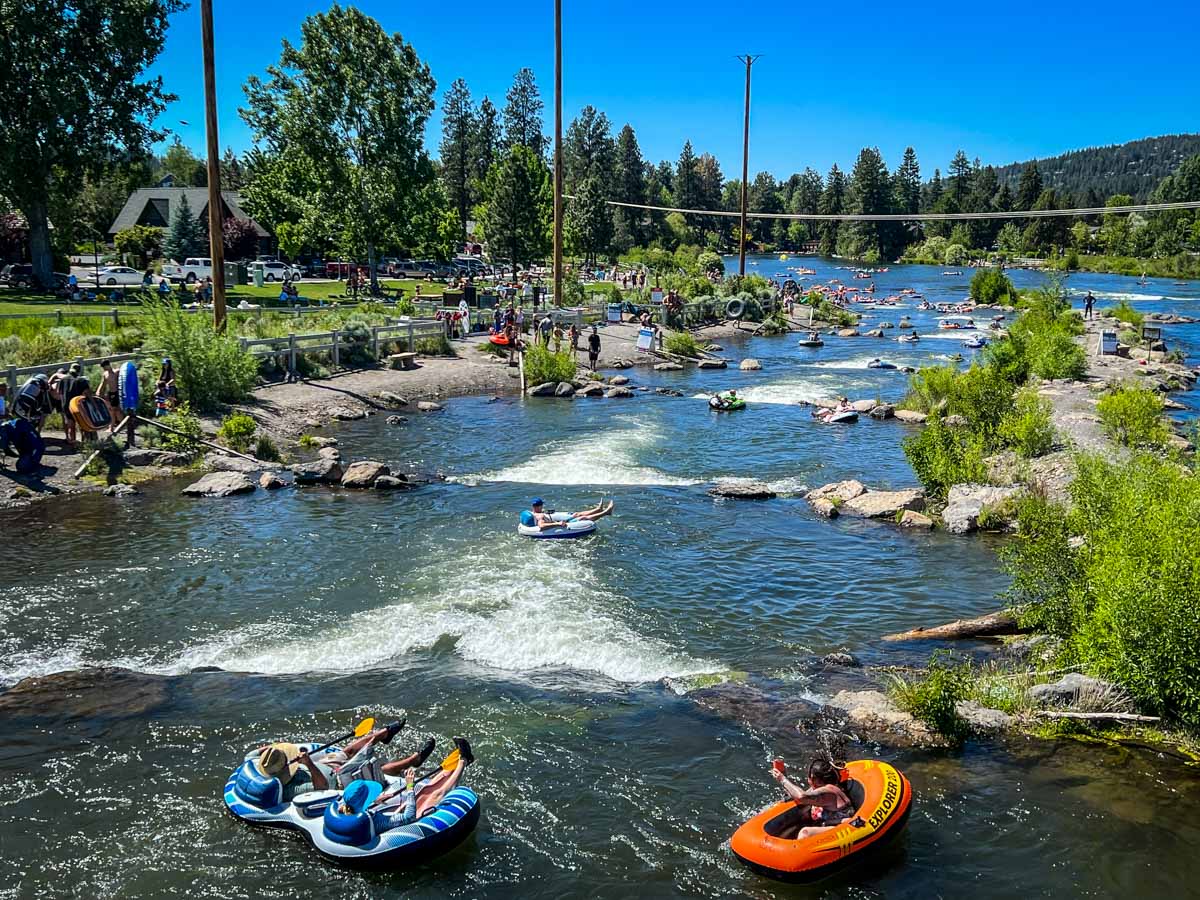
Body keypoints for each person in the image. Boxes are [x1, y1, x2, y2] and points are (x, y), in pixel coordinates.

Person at [340, 738, 474, 832]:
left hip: (380, 823)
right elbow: (408, 817)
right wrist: (409, 786)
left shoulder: (345, 809)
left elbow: (353, 806)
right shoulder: (372, 821)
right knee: (434, 796)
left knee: (422, 792)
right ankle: (463, 761)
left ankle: (450, 768)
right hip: (394, 831)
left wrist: (374, 800)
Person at [769, 759, 857, 839]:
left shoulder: (828, 792)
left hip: (843, 828)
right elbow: (796, 794)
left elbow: (801, 797)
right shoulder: (828, 786)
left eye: (809, 777)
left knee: (805, 833)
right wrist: (784, 774)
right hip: (833, 822)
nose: (808, 780)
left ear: (815, 779)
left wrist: (782, 779)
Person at [524, 497, 614, 531]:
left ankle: (598, 509)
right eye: (542, 505)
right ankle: (606, 512)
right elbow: (541, 526)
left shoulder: (534, 512)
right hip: (559, 523)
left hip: (557, 520)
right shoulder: (540, 516)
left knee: (576, 514)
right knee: (583, 518)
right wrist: (557, 524)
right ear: (539, 506)